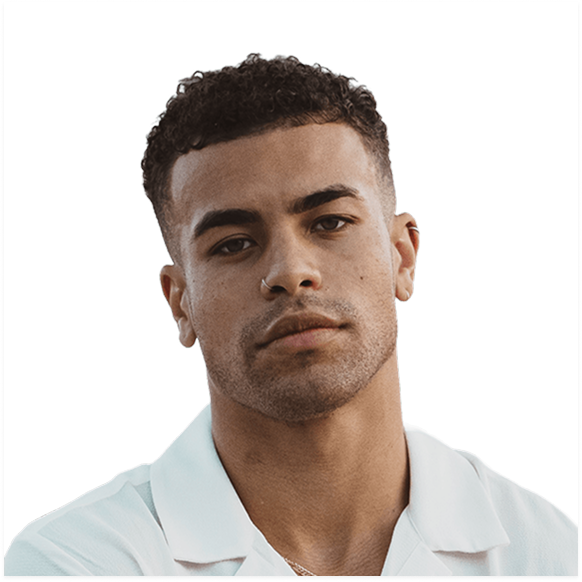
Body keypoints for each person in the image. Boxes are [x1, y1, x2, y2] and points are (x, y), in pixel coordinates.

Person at [5, 54, 576, 577]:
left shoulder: (546, 553)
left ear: (402, 256)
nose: (290, 271)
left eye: (330, 222)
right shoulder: (75, 561)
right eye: (233, 244)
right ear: (180, 302)